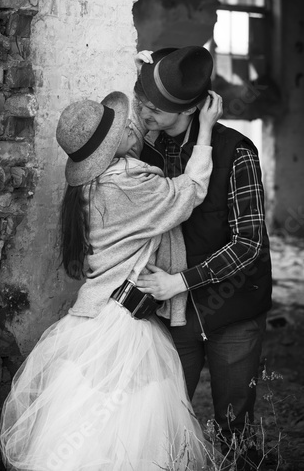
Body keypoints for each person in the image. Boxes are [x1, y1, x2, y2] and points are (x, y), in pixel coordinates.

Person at [0, 89, 223, 471]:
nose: (130, 124)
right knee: (128, 428)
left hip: (96, 316)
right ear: (109, 150)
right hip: (123, 323)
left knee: (89, 426)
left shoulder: (92, 187)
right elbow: (188, 193)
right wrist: (205, 130)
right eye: (120, 128)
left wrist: (144, 137)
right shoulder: (127, 186)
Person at [134, 46, 273, 470]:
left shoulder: (237, 152)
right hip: (171, 313)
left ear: (192, 107)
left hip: (233, 309)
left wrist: (182, 281)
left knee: (235, 425)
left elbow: (249, 245)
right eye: (142, 102)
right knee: (165, 420)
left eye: (155, 108)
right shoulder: (146, 151)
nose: (145, 112)